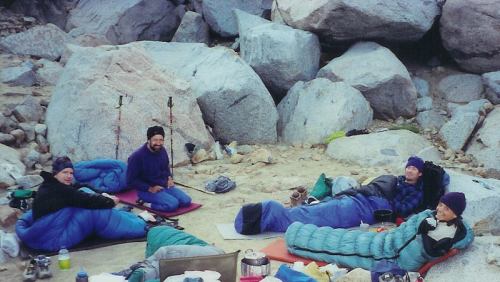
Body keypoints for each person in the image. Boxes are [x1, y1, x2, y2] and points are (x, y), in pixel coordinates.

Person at [235, 156, 431, 234]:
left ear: (420, 173)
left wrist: (388, 200)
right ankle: (272, 215)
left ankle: (269, 215)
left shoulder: (415, 192)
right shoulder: (396, 180)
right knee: (317, 207)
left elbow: (402, 209)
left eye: (414, 169)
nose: (409, 171)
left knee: (318, 214)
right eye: (409, 167)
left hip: (365, 207)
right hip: (357, 197)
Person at [285, 192, 472, 272]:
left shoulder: (448, 235)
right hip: (387, 241)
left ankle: (295, 239)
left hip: (390, 257)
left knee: (339, 248)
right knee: (346, 238)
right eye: (440, 204)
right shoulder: (432, 215)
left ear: (456, 214)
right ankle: (297, 232)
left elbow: (429, 249)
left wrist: (423, 235)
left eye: (446, 209)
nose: (440, 209)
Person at [32, 156, 120, 220]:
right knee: (94, 211)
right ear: (55, 174)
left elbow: (79, 186)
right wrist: (110, 202)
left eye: (71, 173)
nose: (69, 176)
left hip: (48, 223)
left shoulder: (52, 183)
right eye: (65, 172)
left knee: (85, 191)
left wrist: (101, 193)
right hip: (50, 231)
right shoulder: (59, 189)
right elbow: (87, 200)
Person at [127, 126, 191, 212]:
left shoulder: (161, 150)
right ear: (148, 140)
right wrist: (149, 188)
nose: (158, 143)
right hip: (146, 190)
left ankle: (163, 197)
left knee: (186, 201)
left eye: (161, 140)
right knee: (172, 205)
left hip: (163, 186)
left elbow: (166, 167)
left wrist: (169, 178)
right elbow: (130, 181)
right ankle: (145, 203)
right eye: (155, 140)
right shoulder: (136, 157)